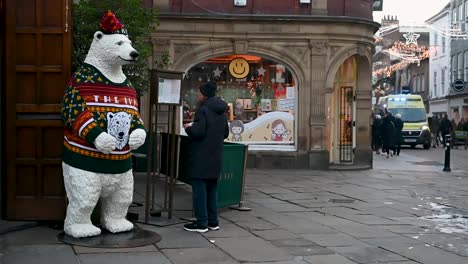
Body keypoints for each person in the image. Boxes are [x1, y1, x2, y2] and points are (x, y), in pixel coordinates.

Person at [183, 81, 229, 233]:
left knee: (200, 190)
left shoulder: (203, 110)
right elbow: (225, 133)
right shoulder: (221, 111)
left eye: (199, 92)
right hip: (216, 156)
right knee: (212, 190)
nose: (197, 95)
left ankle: (202, 223)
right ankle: (213, 221)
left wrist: (188, 128)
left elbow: (199, 132)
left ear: (204, 95)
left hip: (201, 157)